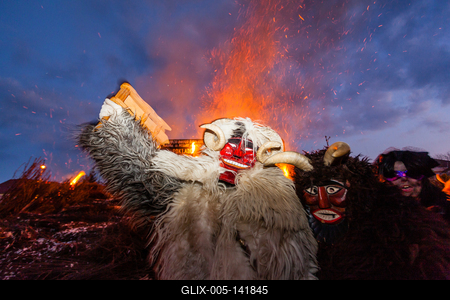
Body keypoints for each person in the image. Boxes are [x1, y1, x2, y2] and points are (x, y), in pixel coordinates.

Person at [294, 142, 450, 279]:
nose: (403, 178)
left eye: (411, 172)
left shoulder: (435, 218)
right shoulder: (370, 221)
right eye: (392, 174)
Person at [374, 148, 450, 223]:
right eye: (394, 174)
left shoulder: (445, 208)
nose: (404, 178)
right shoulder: (381, 219)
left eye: (412, 173)